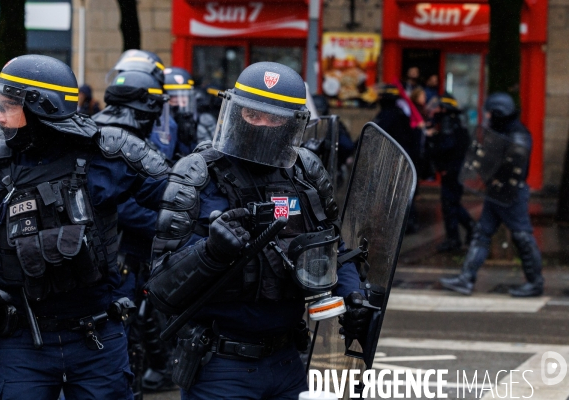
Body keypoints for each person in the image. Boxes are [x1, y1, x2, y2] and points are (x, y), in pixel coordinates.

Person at [144, 62, 371, 399]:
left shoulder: (305, 172)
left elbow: (333, 244)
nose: (262, 125)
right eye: (252, 115)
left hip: (288, 361)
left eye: (274, 118)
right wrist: (209, 253)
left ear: (293, 123)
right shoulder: (197, 174)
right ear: (235, 112)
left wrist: (355, 297)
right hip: (220, 365)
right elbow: (160, 288)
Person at [0, 54, 170, 399]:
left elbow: (182, 204)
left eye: (6, 107)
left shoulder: (108, 154)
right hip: (21, 340)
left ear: (40, 108)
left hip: (98, 338)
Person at [92, 64, 177, 393]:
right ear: (145, 108)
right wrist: (170, 225)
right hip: (119, 258)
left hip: (132, 255)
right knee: (121, 336)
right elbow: (123, 207)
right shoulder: (112, 144)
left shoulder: (116, 136)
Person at [440, 92, 543, 297]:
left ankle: (535, 282)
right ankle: (466, 279)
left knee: (522, 236)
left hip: (510, 194)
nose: (487, 117)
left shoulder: (517, 135)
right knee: (481, 234)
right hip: (496, 193)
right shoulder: (504, 130)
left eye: (489, 113)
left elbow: (515, 169)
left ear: (498, 112)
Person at [426, 93, 474, 252]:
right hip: (457, 168)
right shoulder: (457, 122)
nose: (436, 110)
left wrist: (432, 139)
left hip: (451, 169)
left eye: (439, 107)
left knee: (449, 204)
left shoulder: (447, 123)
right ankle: (470, 229)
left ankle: (455, 238)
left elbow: (445, 146)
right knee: (453, 203)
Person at [374, 84, 419, 233]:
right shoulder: (401, 113)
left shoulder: (387, 115)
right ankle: (407, 222)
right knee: (402, 191)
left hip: (396, 158)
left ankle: (403, 223)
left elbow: (377, 133)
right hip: (405, 157)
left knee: (396, 191)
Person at [163, 67, 217, 155]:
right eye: (173, 98)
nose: (179, 102)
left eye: (182, 97)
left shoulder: (204, 123)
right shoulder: (157, 126)